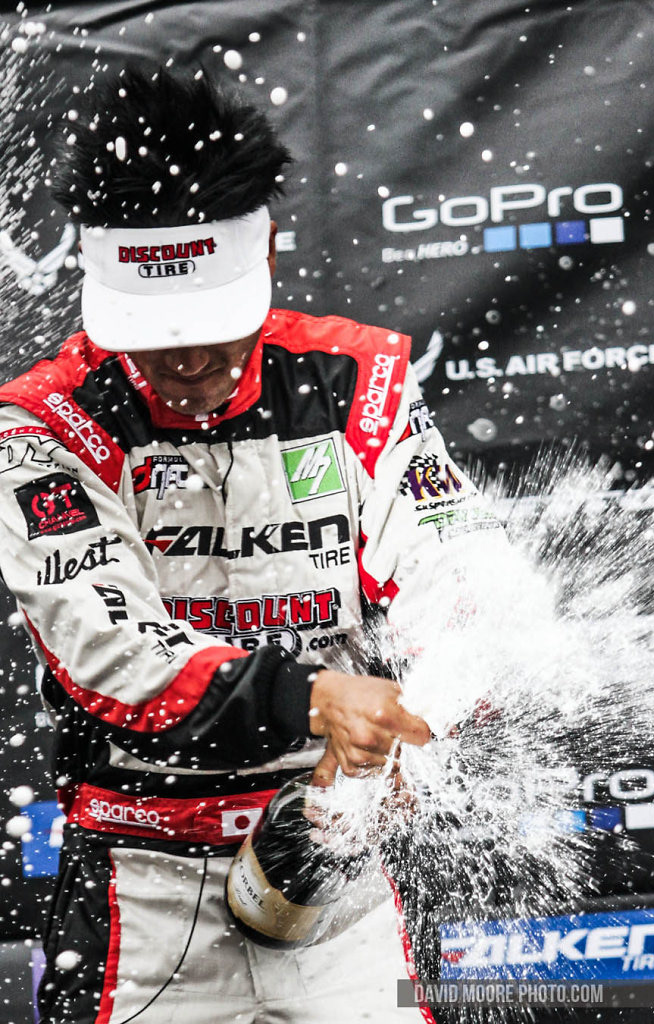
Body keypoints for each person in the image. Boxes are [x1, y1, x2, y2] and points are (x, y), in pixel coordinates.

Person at [0, 65, 504, 1024]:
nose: (187, 358)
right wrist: (318, 700)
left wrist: (425, 711)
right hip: (142, 889)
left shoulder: (360, 380)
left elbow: (469, 568)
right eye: (154, 332)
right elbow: (109, 644)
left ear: (265, 251)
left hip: (341, 867)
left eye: (208, 324)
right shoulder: (42, 426)